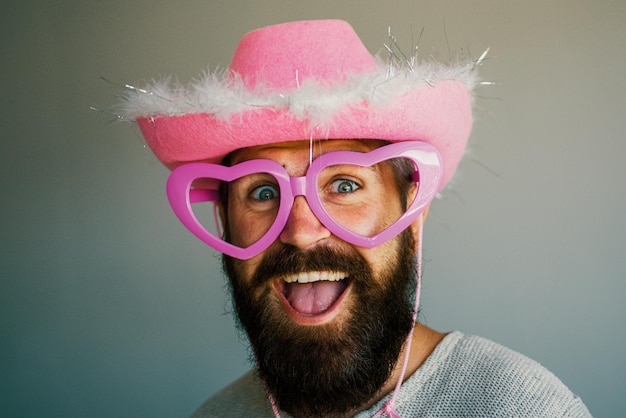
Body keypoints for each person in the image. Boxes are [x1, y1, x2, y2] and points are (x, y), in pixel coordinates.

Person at [118, 19, 591, 418]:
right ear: (224, 221)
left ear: (412, 212)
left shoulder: (525, 408)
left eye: (344, 185)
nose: (301, 231)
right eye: (262, 192)